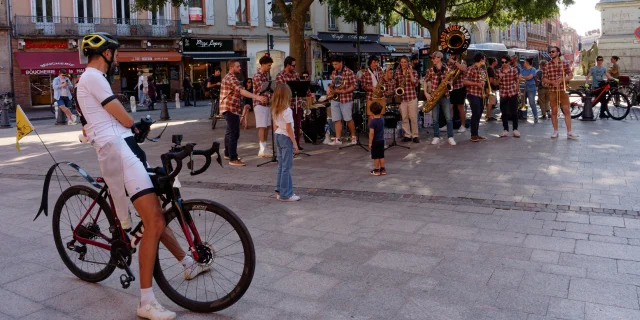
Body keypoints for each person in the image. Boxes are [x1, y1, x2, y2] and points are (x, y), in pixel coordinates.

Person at [76, 32, 209, 320]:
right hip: (119, 152)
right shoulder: (94, 78)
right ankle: (146, 302)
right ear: (107, 54)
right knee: (154, 220)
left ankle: (186, 261)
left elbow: (98, 121)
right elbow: (122, 118)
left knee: (156, 215)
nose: (115, 59)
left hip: (123, 149)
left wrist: (134, 128)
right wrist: (135, 123)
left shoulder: (88, 80)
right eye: (115, 53)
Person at [221, 60, 268, 166]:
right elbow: (242, 91)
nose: (240, 68)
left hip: (229, 108)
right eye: (237, 66)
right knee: (234, 133)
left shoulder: (230, 77)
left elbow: (238, 92)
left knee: (229, 132)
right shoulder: (231, 78)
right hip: (230, 108)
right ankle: (233, 159)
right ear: (232, 67)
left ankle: (228, 153)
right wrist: (257, 97)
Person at [271, 84, 300, 202]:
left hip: (278, 134)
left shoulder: (274, 108)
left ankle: (279, 190)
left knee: (281, 165)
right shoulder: (287, 110)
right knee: (286, 167)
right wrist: (295, 143)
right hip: (286, 137)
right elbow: (289, 129)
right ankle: (286, 194)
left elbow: (275, 125)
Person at [543, 46, 578, 139]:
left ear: (558, 52)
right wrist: (551, 82)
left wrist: (563, 79)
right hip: (552, 91)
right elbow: (544, 79)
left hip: (563, 90)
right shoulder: (547, 65)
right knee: (554, 111)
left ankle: (569, 132)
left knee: (566, 110)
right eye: (550, 52)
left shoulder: (564, 63)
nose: (551, 53)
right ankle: (555, 131)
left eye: (553, 51)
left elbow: (571, 75)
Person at [424, 51, 455, 146]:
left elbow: (451, 82)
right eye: (432, 58)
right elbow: (425, 81)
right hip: (434, 96)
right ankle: (436, 136)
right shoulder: (430, 70)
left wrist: (449, 83)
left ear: (439, 58)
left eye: (434, 58)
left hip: (445, 95)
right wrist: (426, 93)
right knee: (435, 118)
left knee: (448, 118)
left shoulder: (447, 69)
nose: (432, 60)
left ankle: (450, 137)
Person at [276, 56, 307, 150]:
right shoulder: (280, 76)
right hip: (286, 105)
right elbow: (281, 90)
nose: (294, 67)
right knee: (287, 125)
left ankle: (296, 144)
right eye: (293, 65)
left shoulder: (296, 75)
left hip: (296, 103)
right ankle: (289, 143)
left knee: (297, 125)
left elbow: (301, 87)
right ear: (288, 65)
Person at [327, 56, 357, 146]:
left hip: (346, 98)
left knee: (348, 118)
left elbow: (354, 85)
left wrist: (344, 91)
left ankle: (353, 137)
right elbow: (333, 84)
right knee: (336, 119)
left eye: (336, 64)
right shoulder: (334, 72)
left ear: (341, 62)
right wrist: (330, 88)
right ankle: (338, 138)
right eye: (333, 64)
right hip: (335, 98)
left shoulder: (349, 72)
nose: (334, 66)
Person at [395, 56, 420, 143]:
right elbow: (396, 84)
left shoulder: (414, 72)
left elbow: (415, 83)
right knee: (404, 117)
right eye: (401, 62)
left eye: (405, 62)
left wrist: (410, 73)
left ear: (408, 62)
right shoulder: (398, 72)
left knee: (413, 117)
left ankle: (415, 135)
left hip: (411, 97)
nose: (403, 64)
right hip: (402, 98)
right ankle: (407, 135)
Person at [463, 53, 487, 142]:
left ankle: (476, 133)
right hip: (472, 93)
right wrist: (477, 84)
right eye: (484, 59)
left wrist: (483, 84)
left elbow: (483, 81)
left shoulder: (481, 70)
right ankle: (473, 135)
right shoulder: (471, 69)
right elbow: (465, 81)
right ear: (481, 59)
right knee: (476, 113)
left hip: (480, 94)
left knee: (479, 114)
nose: (485, 61)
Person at [253, 55, 274, 156]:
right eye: (269, 65)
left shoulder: (265, 75)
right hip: (259, 104)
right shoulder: (257, 76)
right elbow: (261, 90)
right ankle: (261, 148)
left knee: (267, 126)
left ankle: (265, 146)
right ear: (263, 65)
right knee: (262, 126)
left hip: (266, 104)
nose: (270, 67)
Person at [496, 55, 520, 138]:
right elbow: (496, 83)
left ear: (509, 62)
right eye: (502, 62)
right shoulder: (498, 71)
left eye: (505, 62)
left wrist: (517, 91)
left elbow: (517, 81)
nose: (504, 64)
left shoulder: (514, 70)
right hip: (503, 93)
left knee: (514, 112)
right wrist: (499, 77)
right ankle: (505, 130)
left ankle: (515, 129)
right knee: (504, 113)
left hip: (512, 92)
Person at [447, 54, 468, 133]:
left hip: (460, 87)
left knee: (460, 107)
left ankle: (463, 125)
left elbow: (464, 69)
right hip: (451, 87)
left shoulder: (462, 62)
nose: (451, 55)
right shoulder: (448, 62)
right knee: (449, 107)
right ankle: (449, 125)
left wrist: (454, 62)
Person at [361, 55, 383, 121]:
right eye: (374, 62)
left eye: (377, 62)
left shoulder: (380, 71)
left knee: (380, 116)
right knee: (371, 116)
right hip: (371, 96)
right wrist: (372, 88)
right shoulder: (365, 73)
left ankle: (378, 131)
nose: (376, 64)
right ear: (370, 63)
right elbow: (363, 86)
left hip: (380, 96)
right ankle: (371, 131)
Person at [368, 102, 386, 176]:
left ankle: (376, 170)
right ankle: (383, 169)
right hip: (381, 140)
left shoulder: (372, 122)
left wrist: (370, 142)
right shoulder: (382, 119)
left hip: (375, 141)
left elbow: (371, 133)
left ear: (372, 111)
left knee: (376, 156)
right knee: (381, 156)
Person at [520, 57, 539, 123]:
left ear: (527, 63)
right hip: (523, 87)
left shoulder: (533, 69)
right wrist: (522, 77)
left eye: (524, 62)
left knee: (531, 102)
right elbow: (519, 78)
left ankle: (535, 116)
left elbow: (529, 77)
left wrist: (522, 77)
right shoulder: (523, 70)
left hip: (531, 87)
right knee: (523, 102)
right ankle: (524, 115)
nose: (523, 63)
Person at [485, 57, 499, 121]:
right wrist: (496, 82)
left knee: (489, 102)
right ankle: (489, 116)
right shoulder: (490, 69)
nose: (497, 62)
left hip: (488, 88)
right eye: (496, 61)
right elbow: (491, 80)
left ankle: (488, 115)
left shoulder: (489, 69)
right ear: (493, 62)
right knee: (491, 102)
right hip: (491, 88)